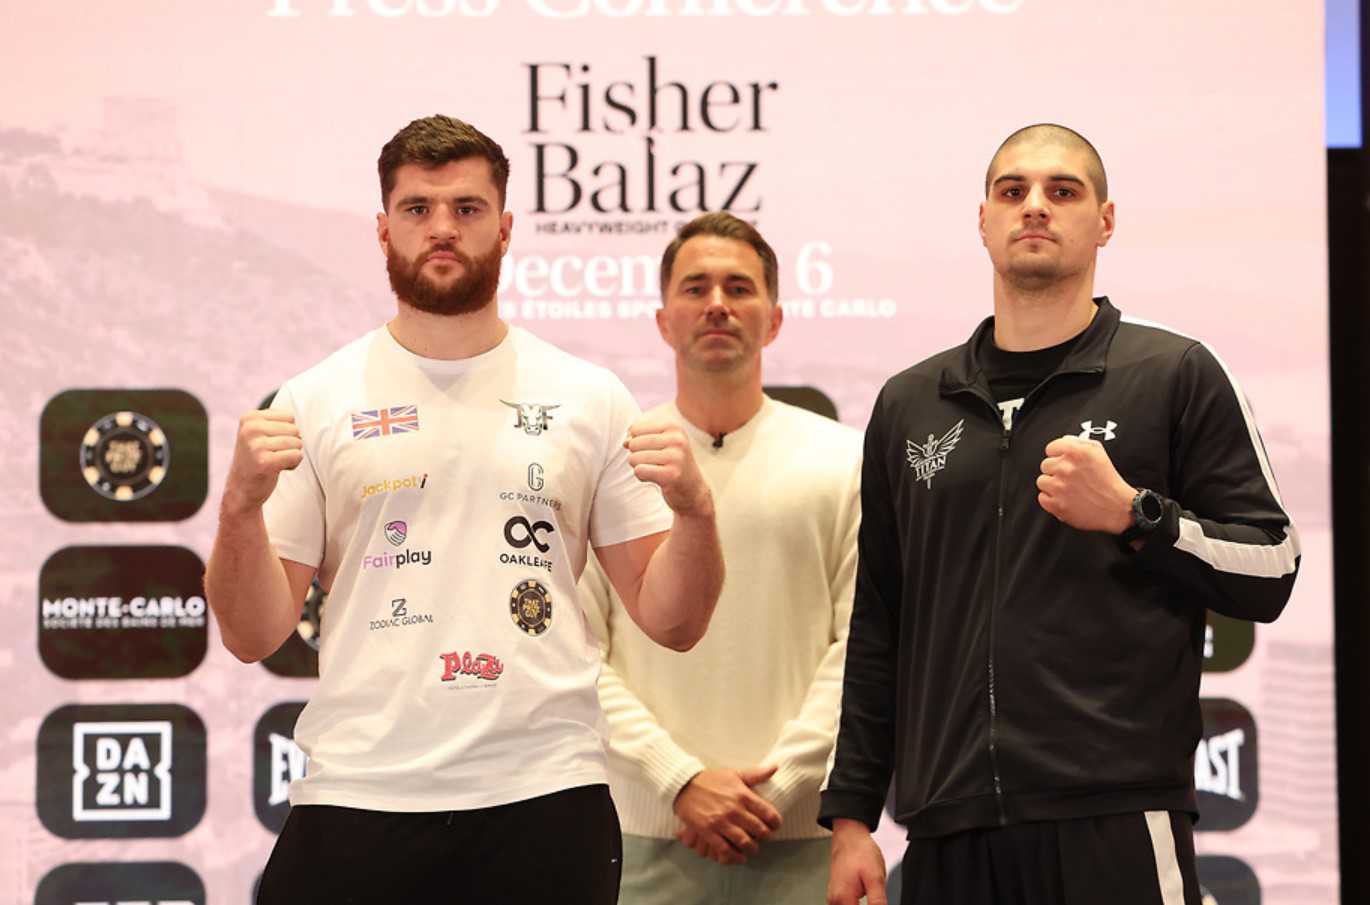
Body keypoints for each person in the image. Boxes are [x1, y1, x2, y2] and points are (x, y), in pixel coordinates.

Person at [203, 114, 725, 905]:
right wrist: (240, 506)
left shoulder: (589, 396)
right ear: (383, 229)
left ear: (505, 228)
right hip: (359, 790)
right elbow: (251, 634)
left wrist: (695, 512)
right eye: (418, 208)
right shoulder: (314, 400)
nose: (442, 227)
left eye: (467, 208)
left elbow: (674, 620)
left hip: (544, 797)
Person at [820, 123, 1299, 905]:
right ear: (984, 221)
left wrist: (1138, 516)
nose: (1035, 206)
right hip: (948, 827)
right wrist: (850, 815)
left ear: (1105, 221)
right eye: (1013, 191)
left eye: (1062, 190)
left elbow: (1272, 563)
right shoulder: (910, 403)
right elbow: (879, 620)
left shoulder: (1173, 372)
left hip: (1115, 813)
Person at [577, 211, 861, 904]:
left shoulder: (845, 459)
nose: (716, 305)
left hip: (802, 843)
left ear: (775, 319)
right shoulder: (612, 463)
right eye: (695, 287)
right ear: (661, 320)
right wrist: (677, 781)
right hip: (643, 843)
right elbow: (576, 653)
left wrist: (777, 789)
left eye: (739, 288)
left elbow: (863, 647)